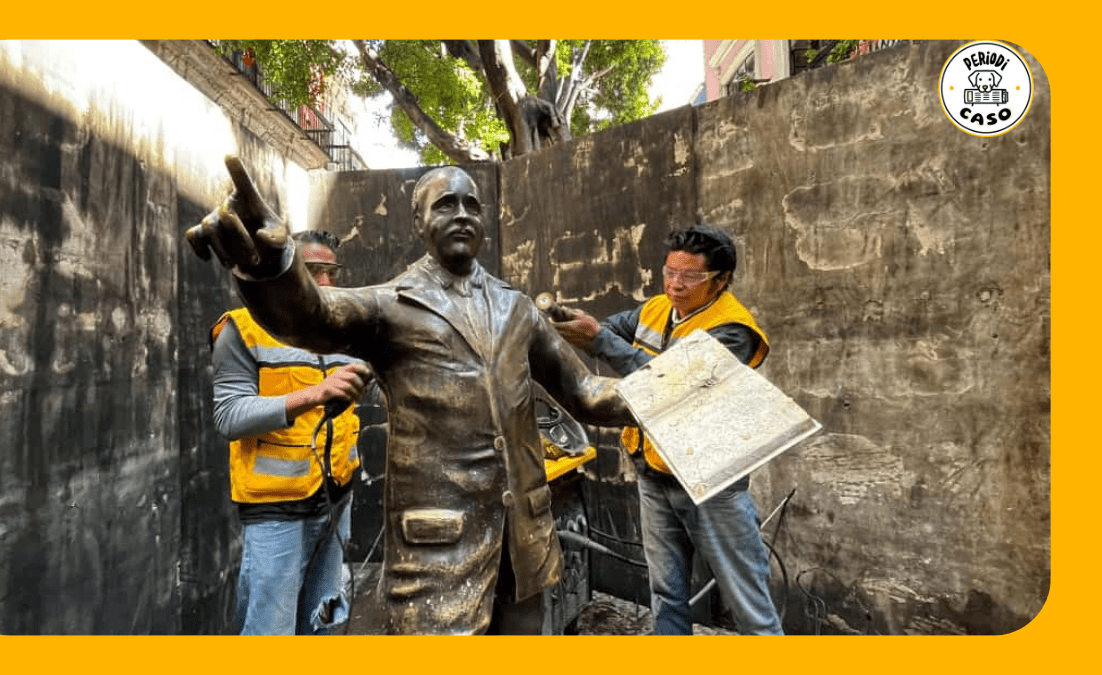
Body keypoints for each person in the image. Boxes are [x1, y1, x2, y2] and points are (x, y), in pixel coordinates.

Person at [187, 156, 636, 635]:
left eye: (471, 205)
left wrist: (680, 394)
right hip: (438, 552)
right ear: (419, 221)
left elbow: (586, 391)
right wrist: (274, 266)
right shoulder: (391, 305)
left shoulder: (517, 308)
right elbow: (310, 316)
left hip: (523, 547)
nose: (462, 213)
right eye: (445, 204)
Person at [552, 222, 784, 635]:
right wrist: (578, 325)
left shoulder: (734, 330)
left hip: (709, 480)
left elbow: (670, 386)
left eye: (690, 276)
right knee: (665, 592)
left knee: (748, 603)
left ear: (722, 280)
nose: (676, 285)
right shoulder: (655, 309)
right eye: (669, 272)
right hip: (653, 473)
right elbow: (608, 327)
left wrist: (598, 339)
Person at [209, 229, 373, 635]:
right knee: (271, 631)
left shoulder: (343, 329)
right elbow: (229, 416)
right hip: (275, 512)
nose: (326, 283)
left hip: (336, 500)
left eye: (331, 271)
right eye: (313, 270)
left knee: (323, 621)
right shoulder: (242, 329)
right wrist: (313, 394)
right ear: (286, 275)